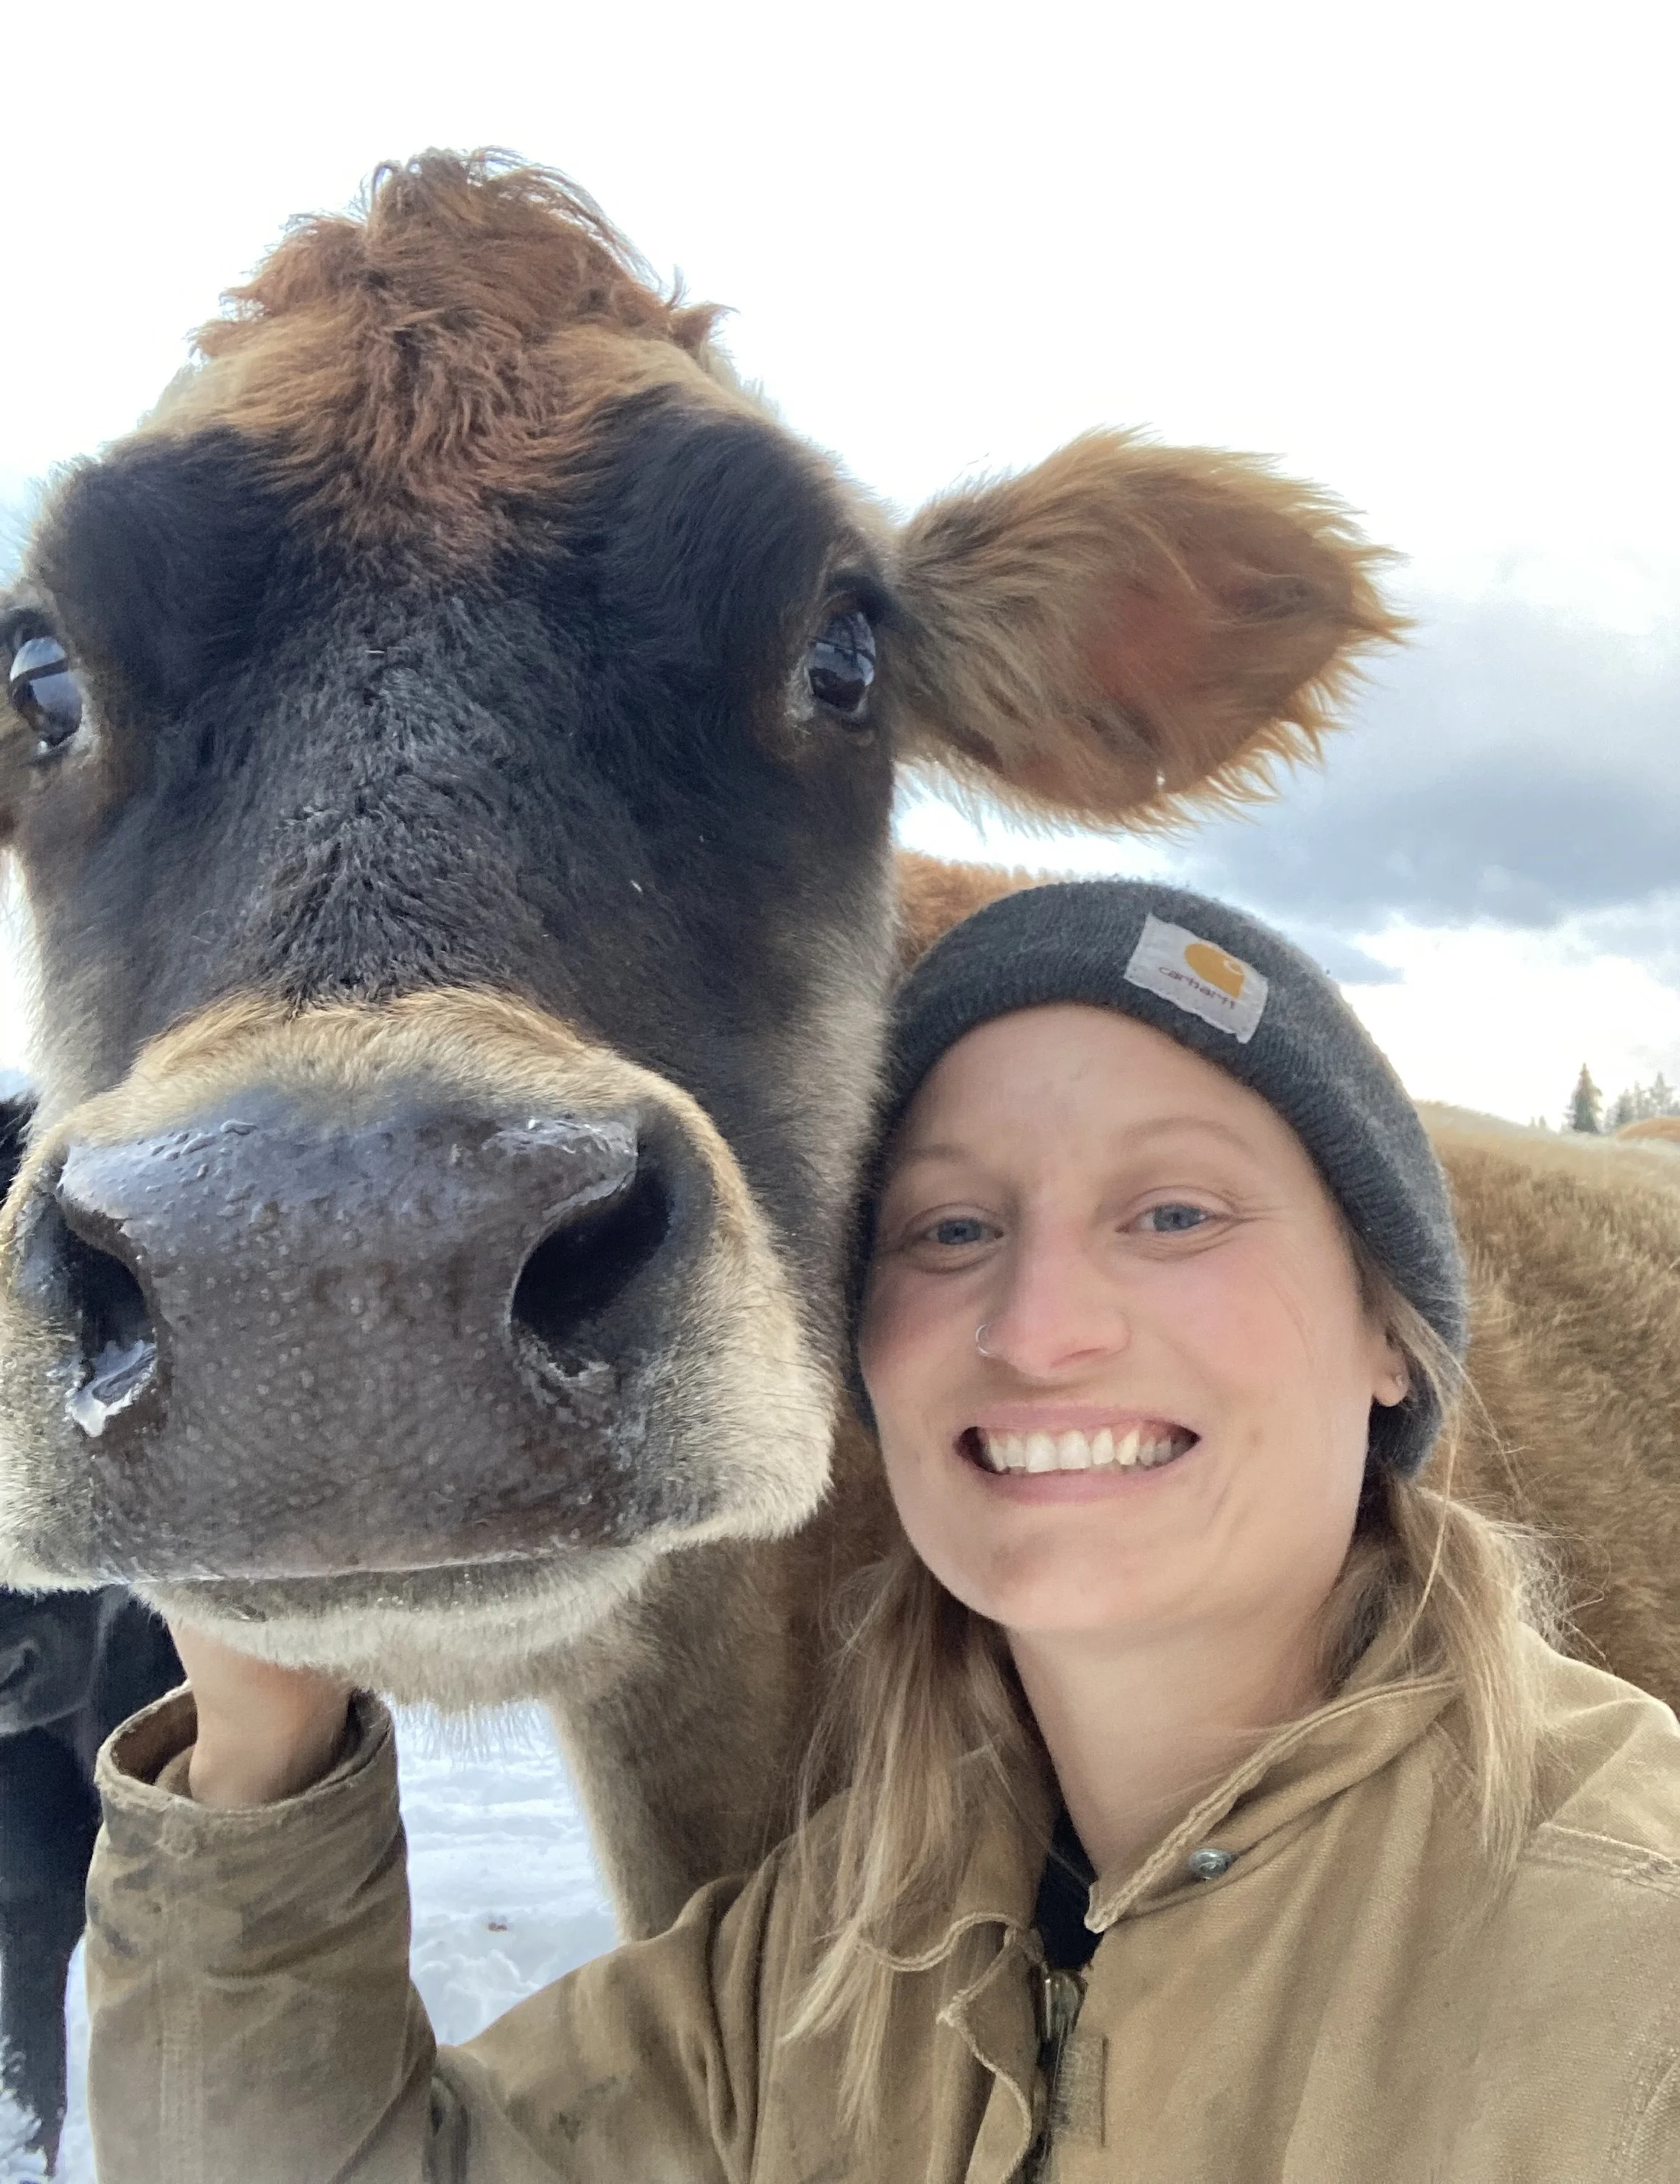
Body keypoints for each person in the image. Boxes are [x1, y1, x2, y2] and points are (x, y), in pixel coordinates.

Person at [84, 881, 1680, 2183]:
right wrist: (262, 1733)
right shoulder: (850, 1958)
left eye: (1174, 1213)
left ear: (1393, 1335)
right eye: (951, 1227)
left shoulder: (1629, 1965)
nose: (1041, 1325)